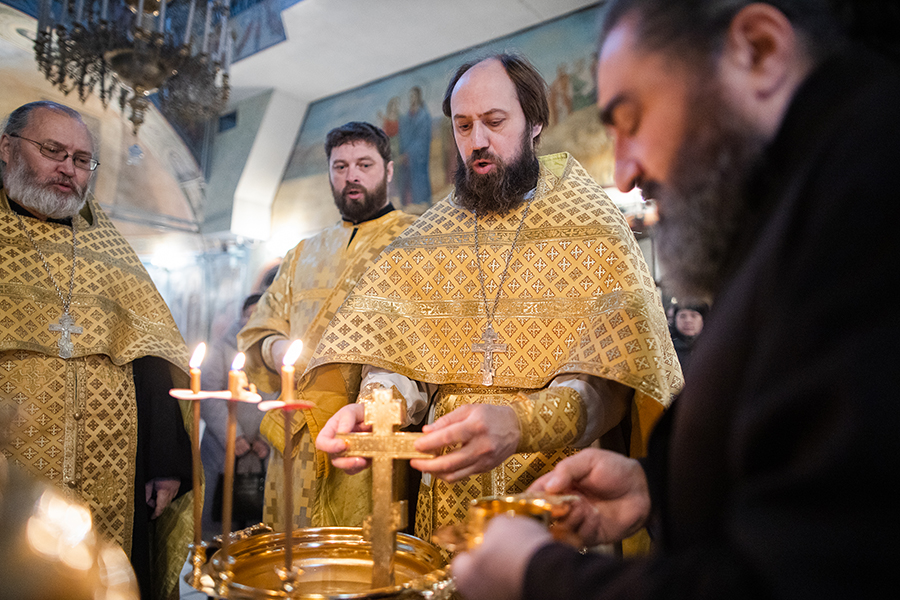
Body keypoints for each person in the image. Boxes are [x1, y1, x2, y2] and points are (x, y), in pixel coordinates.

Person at [450, 2, 900, 599]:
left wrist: (539, 577)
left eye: (631, 119)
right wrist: (654, 485)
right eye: (462, 125)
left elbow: (810, 571)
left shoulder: (869, 192)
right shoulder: (806, 189)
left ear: (759, 51)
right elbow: (796, 457)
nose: (624, 172)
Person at [313, 54, 682, 545]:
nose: (477, 140)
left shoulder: (591, 224)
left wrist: (523, 423)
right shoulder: (428, 236)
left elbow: (613, 376)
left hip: (556, 491)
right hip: (446, 493)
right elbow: (398, 355)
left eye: (494, 121)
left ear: (535, 123)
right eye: (463, 126)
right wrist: (377, 409)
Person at [0, 101, 194, 600]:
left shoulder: (110, 249)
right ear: (7, 148)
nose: (69, 169)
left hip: (113, 470)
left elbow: (152, 355)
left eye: (82, 159)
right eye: (53, 151)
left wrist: (164, 461)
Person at [237, 121, 416, 530]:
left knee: (360, 550)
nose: (351, 176)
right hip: (296, 432)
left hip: (368, 427)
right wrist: (276, 350)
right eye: (340, 166)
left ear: (388, 170)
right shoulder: (303, 252)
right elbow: (257, 330)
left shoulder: (413, 239)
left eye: (364, 164)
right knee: (288, 549)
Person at [200, 293, 271, 539]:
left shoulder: (271, 351)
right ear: (241, 316)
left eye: (261, 314)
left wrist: (266, 438)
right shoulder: (222, 348)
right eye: (250, 314)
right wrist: (233, 435)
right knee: (219, 518)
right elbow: (209, 393)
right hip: (223, 448)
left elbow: (281, 395)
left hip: (260, 449)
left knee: (256, 524)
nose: (254, 320)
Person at [398, 86, 433, 207]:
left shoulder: (423, 116)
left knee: (419, 180)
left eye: (413, 96)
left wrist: (410, 153)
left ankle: (422, 203)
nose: (411, 99)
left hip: (418, 156)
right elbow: (404, 135)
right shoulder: (407, 116)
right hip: (407, 155)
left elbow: (423, 139)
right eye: (410, 96)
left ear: (418, 97)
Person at [669, 301, 707, 370]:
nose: (688, 320)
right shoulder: (668, 348)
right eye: (682, 316)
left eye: (694, 316)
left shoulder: (712, 347)